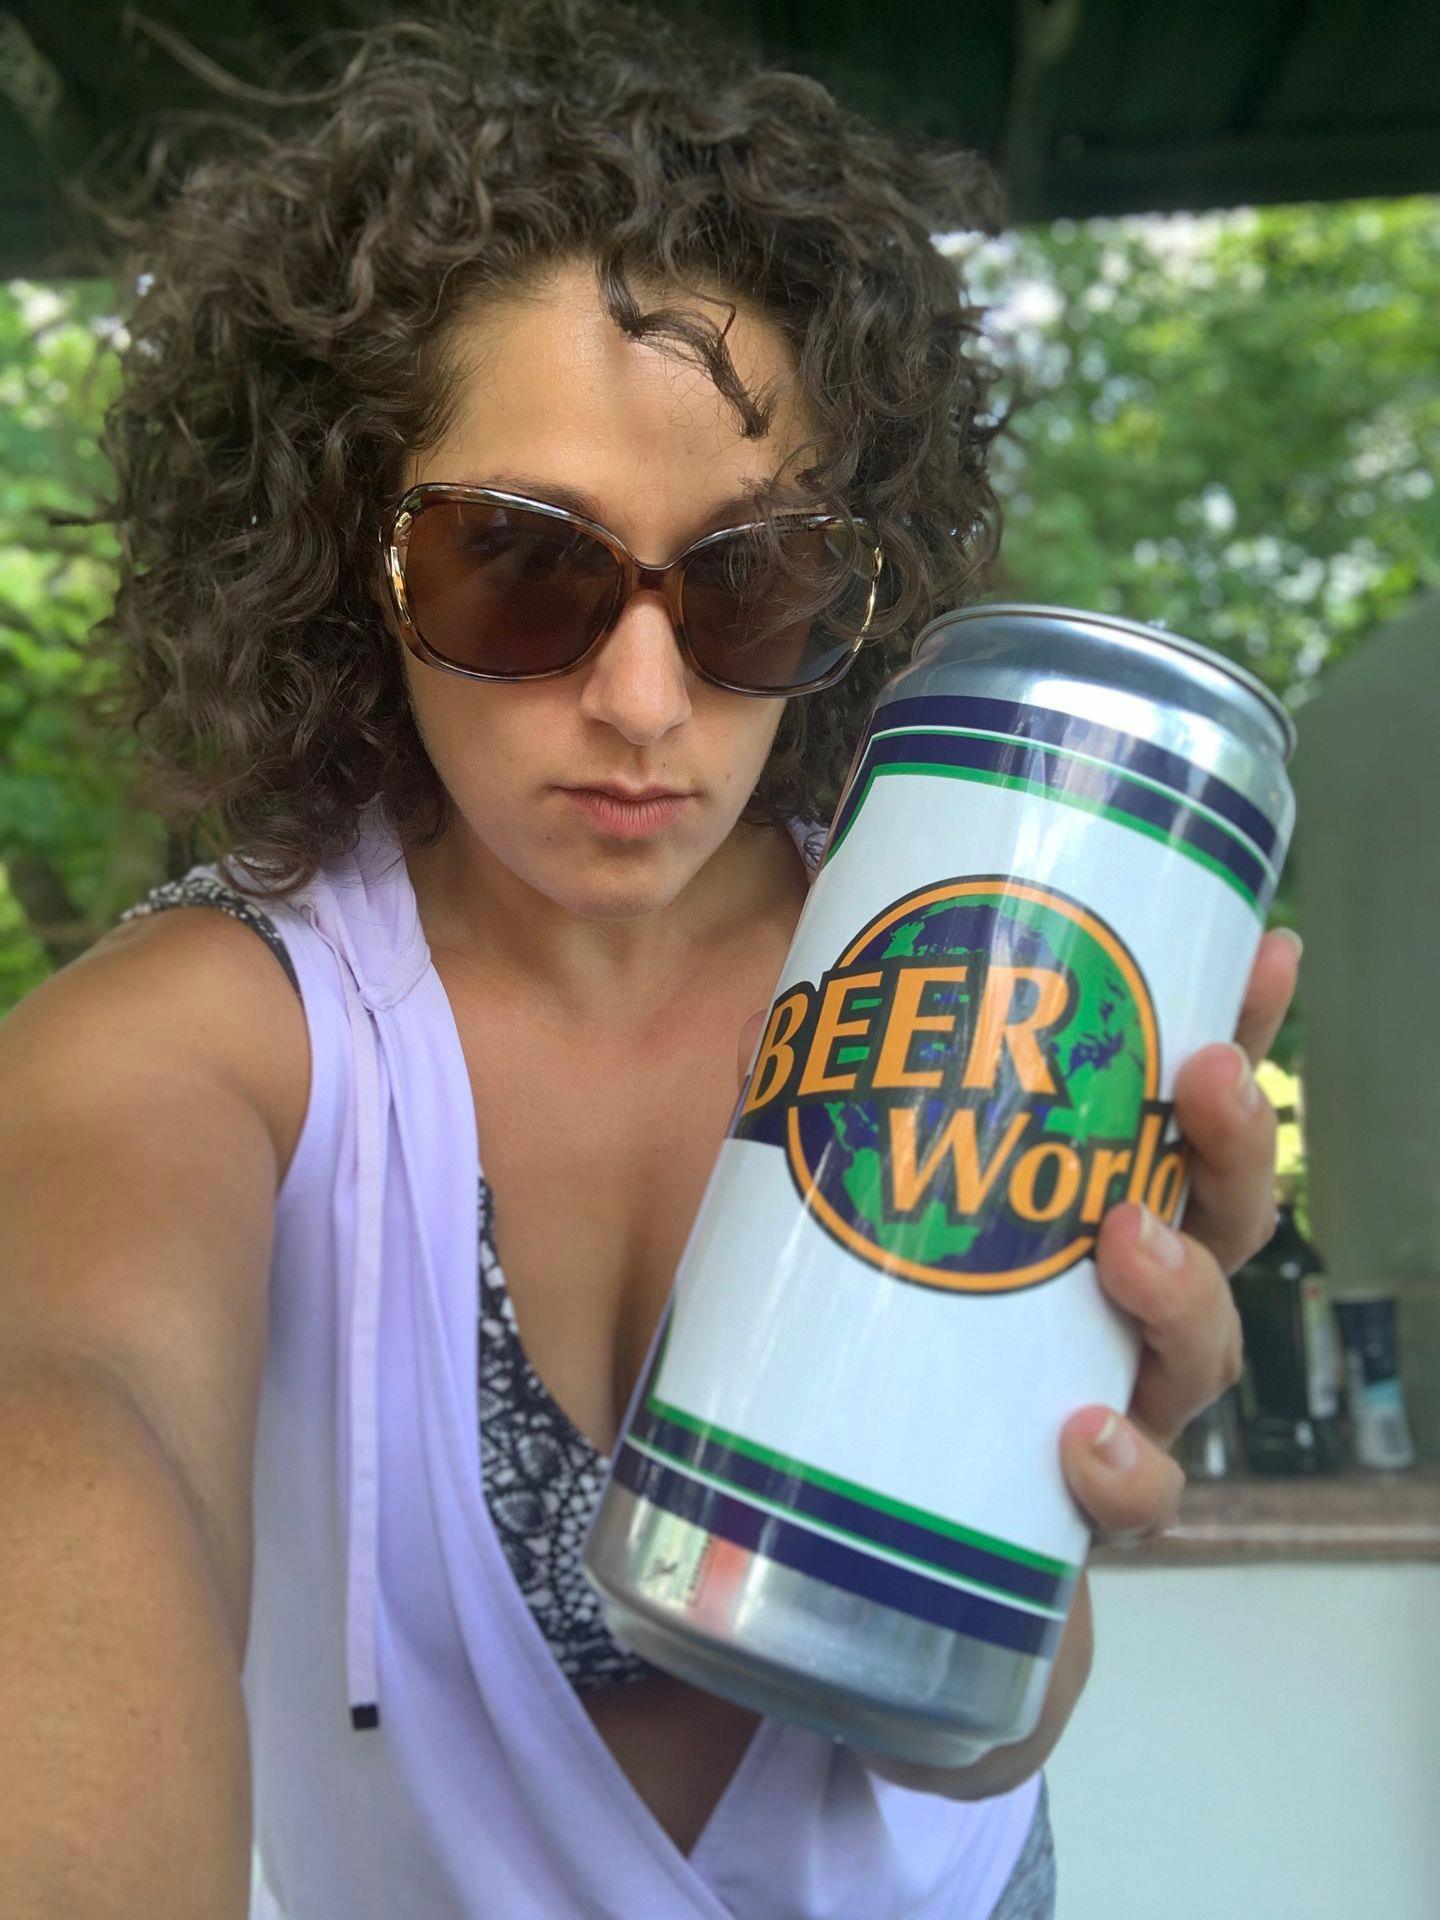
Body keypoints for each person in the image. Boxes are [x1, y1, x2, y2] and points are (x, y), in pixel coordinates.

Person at [0, 4, 1296, 1916]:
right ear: (349, 560)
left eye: (752, 581)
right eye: (522, 562)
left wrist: (1058, 1472)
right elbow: (71, 1405)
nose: (642, 699)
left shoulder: (971, 980)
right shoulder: (217, 1035)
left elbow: (980, 1741)